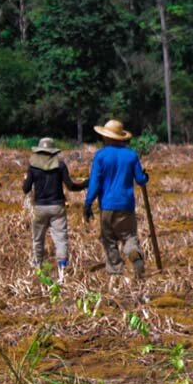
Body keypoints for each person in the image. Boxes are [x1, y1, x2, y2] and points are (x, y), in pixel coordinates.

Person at [83, 119, 150, 279]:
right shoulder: (131, 155)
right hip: (126, 205)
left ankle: (115, 272)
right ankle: (133, 253)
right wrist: (145, 176)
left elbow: (95, 183)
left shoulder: (100, 156)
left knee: (109, 240)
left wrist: (87, 204)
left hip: (107, 205)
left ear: (107, 137)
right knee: (129, 236)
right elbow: (141, 180)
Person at [22, 137, 86, 282]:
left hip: (40, 207)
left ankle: (38, 267)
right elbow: (70, 186)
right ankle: (62, 269)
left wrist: (25, 181)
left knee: (38, 239)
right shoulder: (60, 165)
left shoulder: (33, 166)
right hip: (57, 206)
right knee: (60, 238)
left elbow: (26, 189)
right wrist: (85, 184)